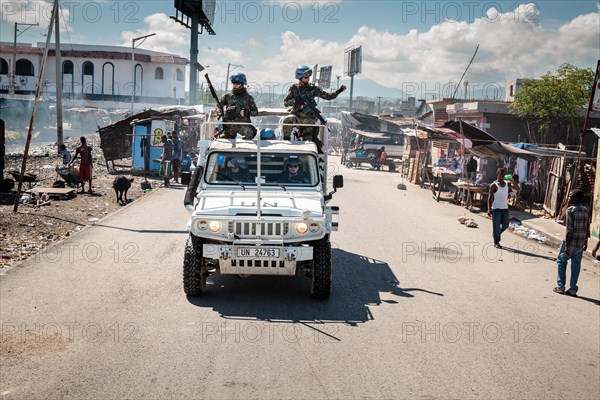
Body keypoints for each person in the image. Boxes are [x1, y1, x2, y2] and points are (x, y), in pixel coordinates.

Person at [282, 65, 346, 147]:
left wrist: (339, 90)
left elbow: (328, 96)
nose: (308, 78)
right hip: (298, 117)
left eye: (309, 76)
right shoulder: (294, 88)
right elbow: (286, 102)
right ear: (299, 77)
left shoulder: (313, 89)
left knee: (308, 144)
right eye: (305, 77)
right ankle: (285, 144)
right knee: (287, 120)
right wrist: (296, 101)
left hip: (309, 121)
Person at [554, 189, 590, 297]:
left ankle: (560, 287)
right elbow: (587, 228)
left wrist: (567, 246)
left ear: (577, 198)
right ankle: (573, 289)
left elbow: (569, 230)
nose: (569, 198)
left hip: (571, 242)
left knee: (561, 261)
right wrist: (586, 242)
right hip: (580, 244)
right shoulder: (585, 210)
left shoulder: (570, 210)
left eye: (571, 196)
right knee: (576, 266)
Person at [218, 72, 258, 140]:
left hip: (242, 125)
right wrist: (218, 110)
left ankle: (245, 147)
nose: (234, 85)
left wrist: (246, 112)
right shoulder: (227, 96)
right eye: (233, 83)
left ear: (242, 84)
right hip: (229, 126)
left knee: (249, 132)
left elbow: (255, 112)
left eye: (237, 83)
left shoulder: (248, 97)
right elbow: (219, 105)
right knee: (222, 139)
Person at [487, 168, 519, 249]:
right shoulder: (493, 185)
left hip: (505, 208)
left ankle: (496, 234)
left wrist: (512, 181)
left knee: (505, 225)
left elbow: (517, 188)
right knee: (496, 226)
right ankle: (496, 242)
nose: (502, 176)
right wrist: (489, 209)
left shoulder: (507, 183)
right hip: (496, 208)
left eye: (503, 174)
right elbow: (490, 198)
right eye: (501, 174)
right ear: (497, 175)